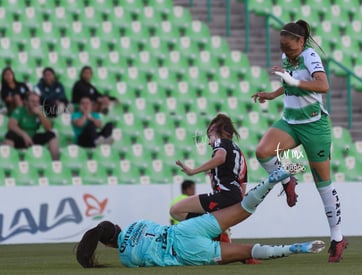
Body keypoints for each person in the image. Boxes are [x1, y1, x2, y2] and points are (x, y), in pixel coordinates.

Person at [76, 170, 326, 268]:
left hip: (184, 251)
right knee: (241, 209)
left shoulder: (125, 259)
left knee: (245, 251)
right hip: (185, 230)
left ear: (107, 244)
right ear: (118, 226)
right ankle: (271, 180)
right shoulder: (134, 224)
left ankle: (297, 248)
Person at [251, 19, 347, 263]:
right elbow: (288, 81)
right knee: (262, 151)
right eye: (282, 46)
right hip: (290, 123)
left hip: (314, 126)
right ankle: (287, 178)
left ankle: (337, 238)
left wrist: (295, 82)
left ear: (301, 42)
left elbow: (322, 85)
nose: (286, 51)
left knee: (323, 185)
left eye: (290, 47)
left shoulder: (310, 56)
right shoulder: (288, 56)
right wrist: (272, 94)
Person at [170, 114, 248, 222]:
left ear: (218, 131)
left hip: (224, 194)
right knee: (215, 226)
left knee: (175, 210)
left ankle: (204, 230)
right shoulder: (239, 152)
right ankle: (214, 232)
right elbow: (243, 181)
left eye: (209, 136)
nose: (208, 142)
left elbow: (220, 158)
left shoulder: (220, 141)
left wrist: (193, 171)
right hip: (234, 197)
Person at [4, 91, 59, 160]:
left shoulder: (39, 112)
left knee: (51, 135)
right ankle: (7, 160)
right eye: (33, 101)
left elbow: (48, 128)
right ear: (26, 102)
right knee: (10, 135)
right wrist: (24, 135)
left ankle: (56, 161)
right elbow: (11, 125)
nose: (36, 104)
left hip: (33, 138)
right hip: (20, 138)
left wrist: (41, 115)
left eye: (37, 102)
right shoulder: (20, 110)